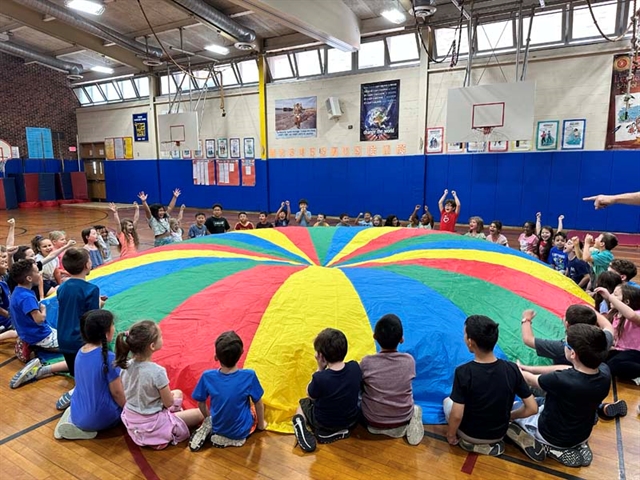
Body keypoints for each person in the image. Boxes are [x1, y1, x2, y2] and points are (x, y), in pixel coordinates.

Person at [514, 324, 611, 467]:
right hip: (583, 433)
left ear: (573, 354)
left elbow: (530, 380)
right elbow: (567, 369)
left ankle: (552, 448)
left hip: (551, 434)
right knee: (545, 399)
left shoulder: (561, 380)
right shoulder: (605, 372)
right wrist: (530, 368)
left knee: (515, 408)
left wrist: (518, 370)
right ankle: (578, 445)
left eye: (565, 343)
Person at [443, 315, 539, 457]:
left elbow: (457, 415)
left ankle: (473, 445)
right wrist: (510, 416)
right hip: (498, 433)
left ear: (470, 342)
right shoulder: (512, 369)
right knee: (511, 402)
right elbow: (532, 408)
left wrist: (450, 435)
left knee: (447, 402)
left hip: (470, 435)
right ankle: (508, 429)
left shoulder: (463, 372)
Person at [116, 320, 204, 449]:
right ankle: (166, 429)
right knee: (199, 413)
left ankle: (170, 421)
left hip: (133, 418)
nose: (163, 338)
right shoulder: (157, 372)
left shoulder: (126, 365)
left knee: (178, 392)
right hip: (153, 423)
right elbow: (168, 403)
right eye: (161, 336)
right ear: (152, 346)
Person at [188, 331, 266, 451]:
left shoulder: (207, 376)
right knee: (254, 405)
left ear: (216, 357)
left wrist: (209, 418)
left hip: (218, 427)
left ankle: (214, 430)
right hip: (241, 431)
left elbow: (201, 403)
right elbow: (259, 403)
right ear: (241, 354)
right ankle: (235, 438)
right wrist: (261, 425)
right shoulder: (249, 375)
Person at [54, 310, 125, 440]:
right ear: (106, 332)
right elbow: (117, 393)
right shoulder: (108, 358)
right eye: (112, 325)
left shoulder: (81, 352)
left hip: (79, 412)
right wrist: (129, 409)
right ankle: (83, 427)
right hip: (103, 418)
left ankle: (73, 420)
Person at [292, 328, 362, 453]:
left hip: (325, 423)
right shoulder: (355, 367)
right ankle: (341, 430)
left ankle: (301, 426)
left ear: (321, 356)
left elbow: (310, 394)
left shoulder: (320, 378)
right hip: (351, 420)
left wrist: (320, 368)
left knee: (303, 403)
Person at [360, 314, 424, 445]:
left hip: (372, 420)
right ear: (402, 339)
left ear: (374, 337)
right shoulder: (409, 361)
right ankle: (411, 417)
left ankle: (383, 427)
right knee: (414, 403)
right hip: (403, 417)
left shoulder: (367, 362)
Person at [7, 259, 69, 389]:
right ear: (29, 278)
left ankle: (33, 346)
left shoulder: (18, 291)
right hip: (39, 335)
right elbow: (39, 320)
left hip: (27, 333)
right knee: (74, 343)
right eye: (37, 271)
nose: (39, 273)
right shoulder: (27, 297)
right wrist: (43, 311)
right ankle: (39, 360)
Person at [55, 247, 103, 410]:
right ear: (86, 265)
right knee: (91, 377)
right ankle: (77, 396)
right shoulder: (91, 289)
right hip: (80, 340)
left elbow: (71, 306)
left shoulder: (62, 287)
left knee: (77, 373)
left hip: (63, 338)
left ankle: (77, 390)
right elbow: (92, 319)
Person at [520, 305, 614, 366]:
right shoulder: (602, 339)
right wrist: (592, 312)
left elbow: (528, 340)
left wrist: (526, 319)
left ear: (567, 324)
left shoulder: (565, 347)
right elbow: (608, 326)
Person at [596, 284, 640, 382]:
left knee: (613, 366)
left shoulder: (637, 313)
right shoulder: (614, 314)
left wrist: (609, 297)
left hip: (636, 352)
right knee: (597, 360)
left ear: (627, 302)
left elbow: (631, 315)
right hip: (621, 351)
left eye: (615, 295)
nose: (611, 296)